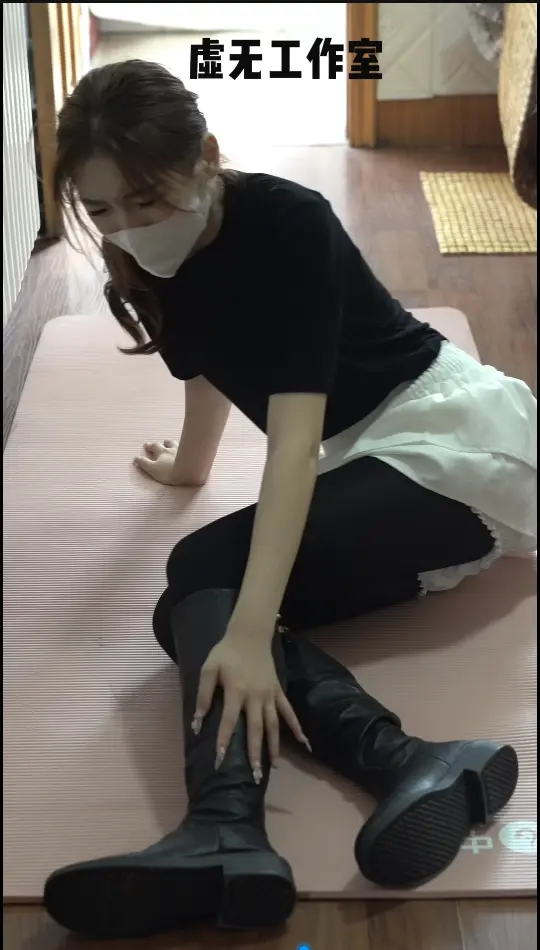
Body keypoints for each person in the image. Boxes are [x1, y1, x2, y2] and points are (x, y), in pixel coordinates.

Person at [43, 60, 537, 940]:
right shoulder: (141, 259)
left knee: (208, 580)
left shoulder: (287, 223)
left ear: (207, 157)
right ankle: (392, 766)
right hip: (369, 463)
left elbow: (295, 444)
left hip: (448, 443)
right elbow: (204, 368)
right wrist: (190, 468)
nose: (129, 228)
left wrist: (248, 631)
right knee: (188, 611)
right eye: (103, 209)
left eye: (147, 201)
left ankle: (228, 825)